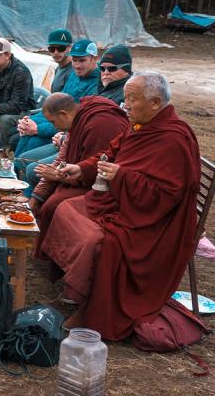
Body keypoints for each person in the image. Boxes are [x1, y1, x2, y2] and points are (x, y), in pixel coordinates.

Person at [42, 71, 200, 339]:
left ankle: (92, 306)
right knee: (66, 208)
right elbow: (110, 154)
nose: (126, 105)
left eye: (132, 99)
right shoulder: (138, 126)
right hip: (125, 202)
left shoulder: (173, 138)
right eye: (125, 98)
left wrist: (122, 177)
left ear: (155, 102)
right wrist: (82, 169)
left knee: (104, 240)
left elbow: (165, 196)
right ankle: (75, 288)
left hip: (155, 221)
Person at [27, 93, 128, 258]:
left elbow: (99, 169)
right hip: (79, 175)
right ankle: (46, 251)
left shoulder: (100, 124)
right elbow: (62, 158)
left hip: (104, 185)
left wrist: (59, 177)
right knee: (45, 195)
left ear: (64, 114)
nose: (54, 128)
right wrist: (36, 198)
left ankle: (58, 258)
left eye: (53, 122)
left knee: (53, 204)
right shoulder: (77, 119)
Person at [15, 38, 100, 193]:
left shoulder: (97, 84)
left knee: (32, 150)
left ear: (94, 59)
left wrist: (38, 129)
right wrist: (29, 122)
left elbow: (70, 119)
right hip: (59, 126)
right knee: (25, 135)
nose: (77, 65)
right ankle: (15, 186)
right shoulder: (74, 74)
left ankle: (29, 196)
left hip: (67, 134)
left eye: (82, 60)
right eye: (74, 60)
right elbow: (56, 107)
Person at [47, 28, 73, 92]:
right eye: (52, 49)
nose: (56, 52)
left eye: (61, 48)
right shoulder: (58, 68)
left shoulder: (75, 72)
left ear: (70, 47)